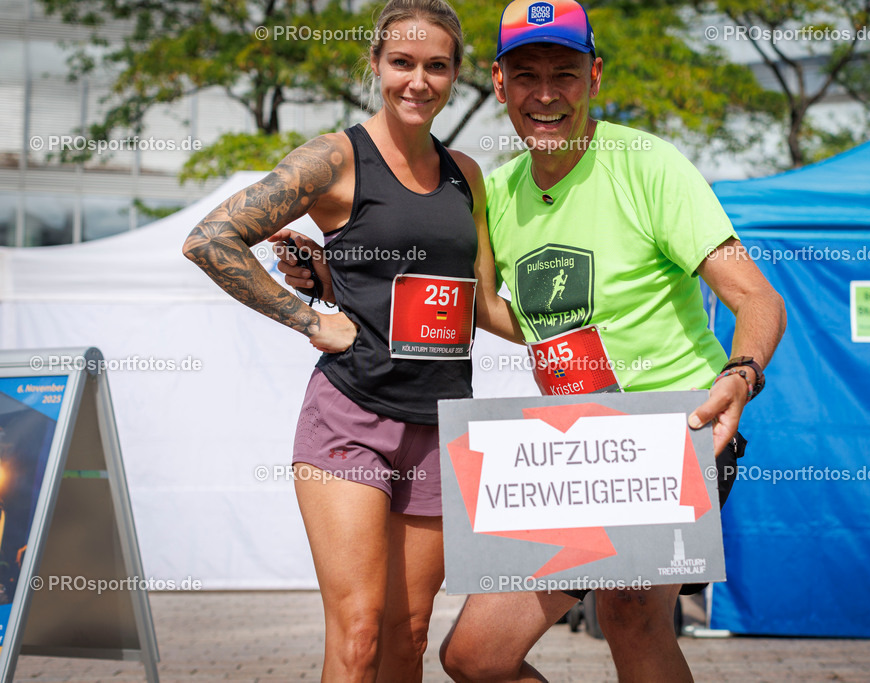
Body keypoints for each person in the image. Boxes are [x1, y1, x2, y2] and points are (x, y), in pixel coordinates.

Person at [434, 1, 787, 681]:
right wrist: (340, 275)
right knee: (476, 658)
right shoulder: (498, 193)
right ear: (499, 84)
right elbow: (501, 313)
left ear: (594, 77)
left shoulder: (647, 164)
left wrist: (739, 376)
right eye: (525, 74)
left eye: (563, 73)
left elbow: (757, 297)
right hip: (574, 449)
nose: (545, 93)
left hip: (674, 434)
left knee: (629, 611)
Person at [182, 1, 520, 680]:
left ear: (457, 75)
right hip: (352, 418)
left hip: (442, 425)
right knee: (359, 632)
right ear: (375, 64)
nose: (417, 81)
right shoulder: (335, 158)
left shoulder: (466, 174)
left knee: (411, 634)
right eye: (401, 63)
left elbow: (482, 303)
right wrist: (308, 318)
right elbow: (209, 239)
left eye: (436, 66)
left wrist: (585, 337)